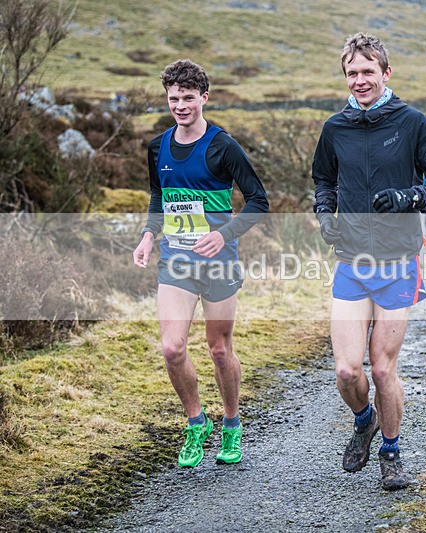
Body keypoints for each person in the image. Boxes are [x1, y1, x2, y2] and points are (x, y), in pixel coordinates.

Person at [312, 33, 426, 490]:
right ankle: (364, 419)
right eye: (352, 73)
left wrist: (409, 197)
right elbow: (323, 180)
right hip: (352, 261)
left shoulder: (412, 123)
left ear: (386, 73)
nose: (359, 80)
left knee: (382, 368)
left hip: (398, 261)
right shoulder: (335, 128)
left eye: (368, 72)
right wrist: (323, 214)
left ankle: (391, 452)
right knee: (346, 371)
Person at [132, 59, 269, 468]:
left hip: (218, 262)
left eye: (188, 98)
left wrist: (223, 234)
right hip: (175, 259)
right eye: (174, 99)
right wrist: (147, 235)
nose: (180, 106)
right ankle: (196, 422)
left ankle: (231, 423)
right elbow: (160, 196)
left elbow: (259, 202)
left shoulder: (222, 146)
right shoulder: (158, 147)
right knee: (172, 348)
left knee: (219, 350)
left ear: (204, 98)